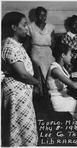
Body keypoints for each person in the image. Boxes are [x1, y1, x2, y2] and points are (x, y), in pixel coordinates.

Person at [1, 11, 40, 146]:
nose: (27, 27)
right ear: (13, 27)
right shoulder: (10, 46)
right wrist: (37, 83)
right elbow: (22, 74)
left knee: (20, 130)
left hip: (20, 94)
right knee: (20, 131)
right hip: (16, 96)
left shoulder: (15, 44)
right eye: (24, 24)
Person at [27, 6, 55, 79]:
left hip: (47, 52)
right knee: (38, 71)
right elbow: (27, 44)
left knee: (50, 71)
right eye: (40, 15)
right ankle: (40, 88)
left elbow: (53, 43)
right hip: (35, 51)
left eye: (44, 15)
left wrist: (49, 52)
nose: (43, 17)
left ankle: (48, 88)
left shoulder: (50, 27)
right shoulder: (30, 27)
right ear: (36, 16)